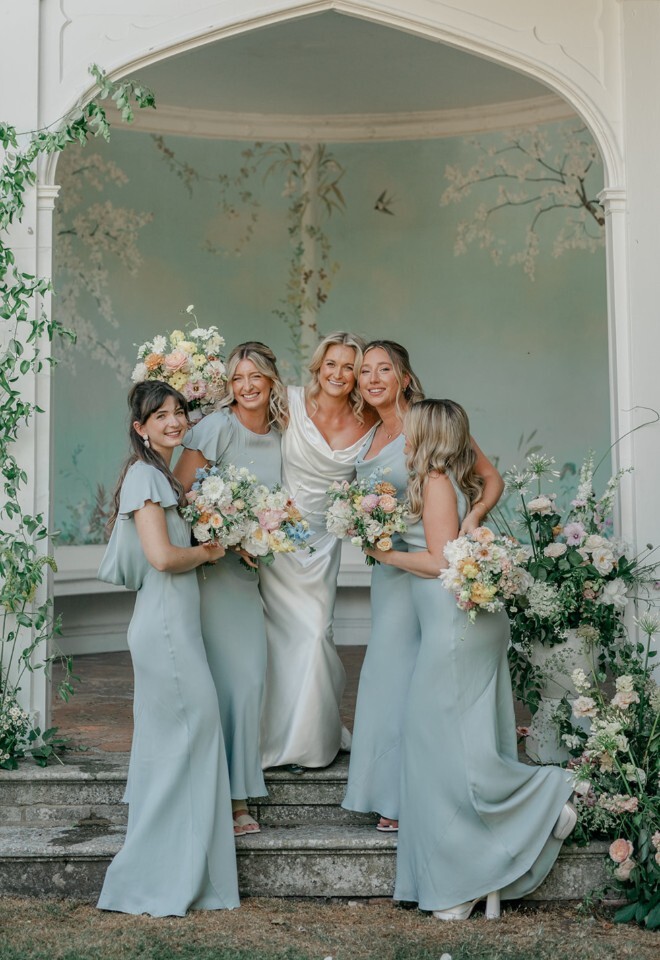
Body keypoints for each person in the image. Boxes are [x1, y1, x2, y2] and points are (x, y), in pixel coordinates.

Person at [365, 399, 575, 920]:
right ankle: (466, 874)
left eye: (411, 430)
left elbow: (439, 561)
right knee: (450, 747)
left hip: (453, 623)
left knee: (444, 748)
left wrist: (383, 554)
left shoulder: (435, 481)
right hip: (457, 618)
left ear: (429, 434)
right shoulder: (445, 479)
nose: (404, 436)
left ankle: (549, 796)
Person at [343, 343, 505, 833]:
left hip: (430, 564)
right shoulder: (367, 434)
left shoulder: (431, 425)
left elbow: (489, 478)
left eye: (383, 369)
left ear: (405, 376)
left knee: (428, 682)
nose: (372, 378)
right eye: (363, 371)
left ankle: (421, 793)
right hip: (391, 573)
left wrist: (471, 520)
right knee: (386, 676)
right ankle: (387, 790)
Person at [97, 381, 239, 916]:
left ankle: (180, 869)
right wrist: (207, 551)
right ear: (141, 428)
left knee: (178, 748)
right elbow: (160, 558)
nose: (175, 422)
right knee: (190, 739)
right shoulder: (144, 478)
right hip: (164, 631)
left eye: (179, 412)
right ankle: (156, 875)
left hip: (175, 626)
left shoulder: (161, 476)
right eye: (161, 416)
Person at [174, 342, 286, 835]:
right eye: (237, 378)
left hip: (256, 570)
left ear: (271, 381)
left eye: (255, 376)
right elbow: (180, 496)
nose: (246, 386)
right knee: (226, 682)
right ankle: (230, 801)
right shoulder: (216, 427)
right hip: (215, 570)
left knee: (248, 685)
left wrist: (263, 535)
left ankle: (236, 791)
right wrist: (222, 536)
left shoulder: (285, 435)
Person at [259, 332, 378, 770]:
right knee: (278, 640)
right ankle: (275, 736)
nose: (339, 374)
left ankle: (312, 738)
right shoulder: (287, 403)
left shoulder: (370, 424)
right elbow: (237, 405)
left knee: (315, 635)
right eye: (332, 364)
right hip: (277, 538)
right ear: (318, 366)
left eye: (349, 366)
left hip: (323, 544)